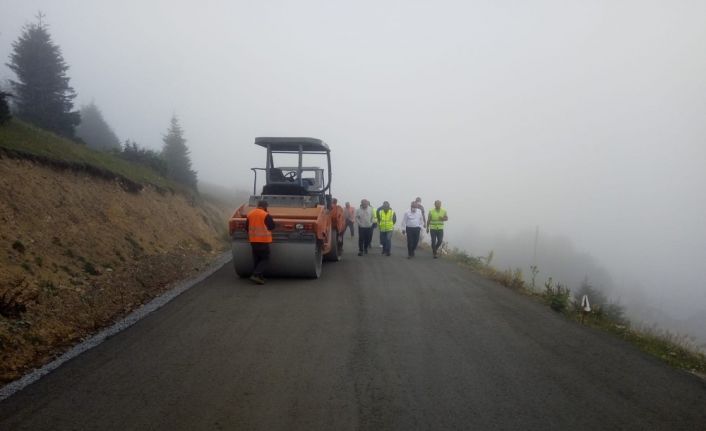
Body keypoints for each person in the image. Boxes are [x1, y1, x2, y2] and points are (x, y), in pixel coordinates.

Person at [246, 200, 275, 284]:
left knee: (257, 259)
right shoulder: (265, 215)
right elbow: (272, 226)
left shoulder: (250, 214)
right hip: (263, 241)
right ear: (265, 207)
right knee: (265, 258)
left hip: (253, 240)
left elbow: (246, 228)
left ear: (258, 205)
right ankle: (256, 274)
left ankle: (259, 277)